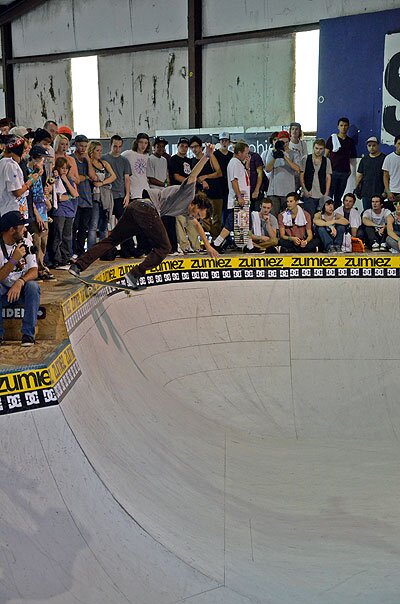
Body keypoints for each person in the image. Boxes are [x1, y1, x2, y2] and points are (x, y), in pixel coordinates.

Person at [69, 144, 219, 288]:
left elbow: (196, 225)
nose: (196, 217)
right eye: (198, 214)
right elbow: (194, 174)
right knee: (164, 247)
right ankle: (134, 275)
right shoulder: (188, 193)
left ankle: (78, 266)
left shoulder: (188, 211)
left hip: (135, 207)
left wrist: (208, 246)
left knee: (112, 240)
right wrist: (206, 156)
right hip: (148, 210)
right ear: (197, 204)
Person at [0, 211, 40, 346]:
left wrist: (20, 281)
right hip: (3, 291)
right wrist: (13, 260)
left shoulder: (26, 242)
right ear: (12, 230)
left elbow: (34, 271)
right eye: (22, 226)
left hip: (20, 289)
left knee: (33, 286)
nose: (25, 229)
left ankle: (28, 335)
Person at [212, 140, 250, 252]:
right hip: (238, 199)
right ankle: (216, 243)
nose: (247, 155)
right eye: (246, 153)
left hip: (242, 198)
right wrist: (239, 197)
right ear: (239, 152)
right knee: (231, 223)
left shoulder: (239, 164)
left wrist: (247, 167)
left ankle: (249, 246)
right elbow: (234, 181)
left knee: (245, 223)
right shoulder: (234, 163)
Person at [26, 145, 55, 281]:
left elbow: (41, 190)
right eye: (42, 159)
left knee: (43, 240)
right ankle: (36, 268)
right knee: (36, 240)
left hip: (42, 207)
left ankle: (41, 267)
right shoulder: (28, 172)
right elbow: (28, 195)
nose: (44, 162)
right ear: (35, 158)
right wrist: (36, 213)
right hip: (33, 210)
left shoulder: (42, 173)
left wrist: (46, 198)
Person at [170, 136, 200, 253]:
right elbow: (176, 176)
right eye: (182, 146)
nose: (184, 148)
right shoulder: (174, 159)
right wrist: (189, 183)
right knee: (180, 220)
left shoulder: (189, 161)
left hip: (189, 194)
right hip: (179, 192)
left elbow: (193, 175)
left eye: (186, 146)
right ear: (177, 146)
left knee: (191, 219)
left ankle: (196, 245)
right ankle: (184, 245)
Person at [189, 135, 223, 241]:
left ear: (200, 147)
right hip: (202, 194)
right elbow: (193, 177)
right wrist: (200, 180)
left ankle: (218, 240)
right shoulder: (192, 161)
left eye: (196, 146)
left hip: (215, 191)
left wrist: (206, 177)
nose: (194, 149)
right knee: (205, 219)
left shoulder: (210, 157)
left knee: (217, 218)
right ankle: (216, 238)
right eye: (192, 147)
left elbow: (219, 173)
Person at [0, 135, 41, 218]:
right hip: (11, 210)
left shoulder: (3, 162)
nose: (24, 153)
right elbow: (17, 192)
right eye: (23, 150)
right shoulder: (11, 165)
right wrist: (31, 181)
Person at [87, 141, 116, 249]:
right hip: (94, 196)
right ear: (92, 151)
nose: (100, 153)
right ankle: (91, 250)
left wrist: (103, 183)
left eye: (100, 151)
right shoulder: (89, 163)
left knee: (104, 224)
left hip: (104, 195)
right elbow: (92, 177)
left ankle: (103, 250)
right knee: (93, 225)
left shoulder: (104, 163)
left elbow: (113, 176)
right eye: (97, 150)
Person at [264, 130, 301, 217]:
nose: (285, 144)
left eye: (286, 142)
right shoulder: (272, 153)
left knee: (287, 217)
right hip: (274, 192)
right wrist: (275, 157)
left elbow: (298, 169)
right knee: (273, 216)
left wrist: (285, 156)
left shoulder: (294, 153)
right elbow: (268, 169)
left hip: (288, 192)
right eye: (282, 142)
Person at [52, 157, 79, 268]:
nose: (64, 170)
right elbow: (58, 197)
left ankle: (66, 257)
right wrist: (69, 196)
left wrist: (66, 180)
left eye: (66, 168)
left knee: (67, 236)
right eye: (62, 168)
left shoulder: (68, 179)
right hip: (59, 211)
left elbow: (75, 194)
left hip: (69, 211)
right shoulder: (55, 179)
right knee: (58, 235)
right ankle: (57, 259)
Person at [72, 134, 96, 258]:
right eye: (81, 146)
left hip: (87, 199)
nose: (82, 149)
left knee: (83, 229)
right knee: (73, 227)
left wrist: (88, 160)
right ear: (75, 144)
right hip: (75, 199)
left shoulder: (87, 161)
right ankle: (72, 251)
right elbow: (75, 178)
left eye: (85, 146)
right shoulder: (71, 159)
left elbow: (93, 176)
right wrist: (85, 177)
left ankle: (80, 251)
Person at [325, 117, 357, 208]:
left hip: (344, 172)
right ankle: (328, 215)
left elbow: (352, 158)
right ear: (338, 127)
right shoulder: (332, 139)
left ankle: (337, 214)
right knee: (329, 195)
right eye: (341, 125)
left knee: (339, 197)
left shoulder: (350, 141)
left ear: (348, 127)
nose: (343, 127)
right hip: (332, 172)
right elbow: (326, 155)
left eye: (345, 125)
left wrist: (351, 170)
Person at [300, 138, 332, 218]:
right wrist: (304, 189)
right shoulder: (306, 158)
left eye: (321, 149)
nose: (318, 151)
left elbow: (328, 177)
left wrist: (326, 192)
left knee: (321, 217)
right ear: (313, 147)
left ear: (324, 149)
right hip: (309, 192)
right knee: (309, 216)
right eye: (316, 148)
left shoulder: (327, 161)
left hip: (321, 193)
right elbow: (301, 175)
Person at [355, 136, 386, 211]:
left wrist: (386, 191)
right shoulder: (364, 159)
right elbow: (359, 175)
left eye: (374, 145)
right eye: (369, 145)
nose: (371, 147)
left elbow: (387, 177)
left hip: (380, 192)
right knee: (367, 213)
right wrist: (356, 188)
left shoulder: (384, 158)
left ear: (378, 145)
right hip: (366, 192)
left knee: (379, 214)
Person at [122, 132, 150, 199]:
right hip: (133, 191)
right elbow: (118, 159)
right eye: (141, 142)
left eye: (146, 143)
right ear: (137, 142)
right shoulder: (128, 154)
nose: (143, 145)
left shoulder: (147, 156)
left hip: (145, 189)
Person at [382, 135, 400, 206]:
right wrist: (388, 191)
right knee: (392, 215)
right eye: (399, 143)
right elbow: (385, 176)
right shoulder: (389, 158)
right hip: (393, 191)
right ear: (395, 144)